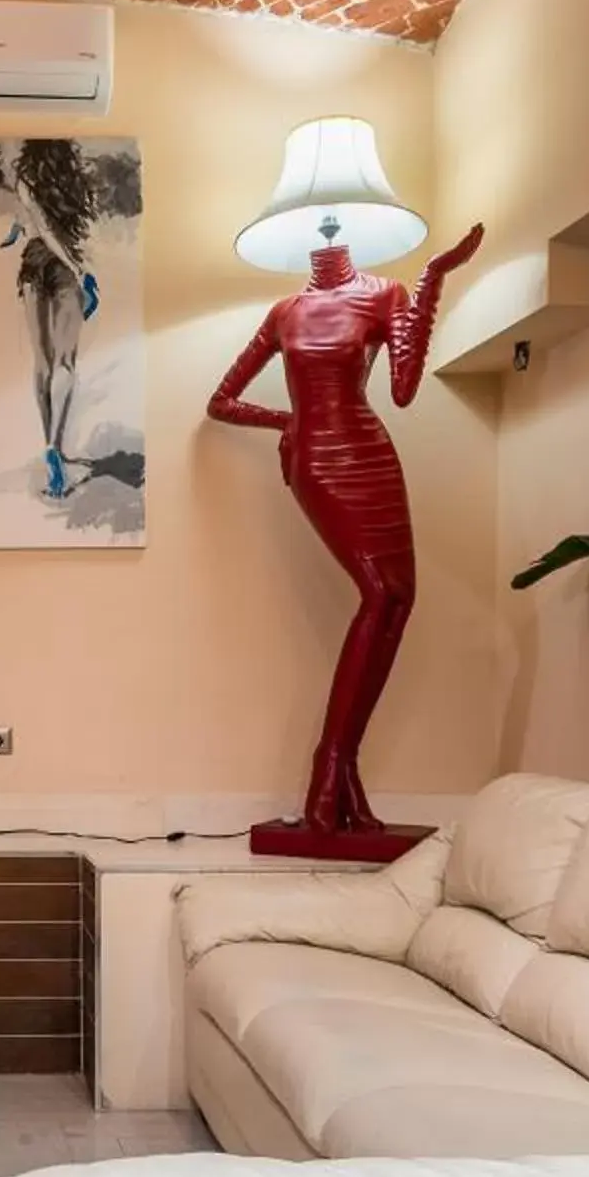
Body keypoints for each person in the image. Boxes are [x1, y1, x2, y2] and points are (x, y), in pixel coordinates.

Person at [207, 223, 482, 835]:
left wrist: (432, 280)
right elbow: (221, 401)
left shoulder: (387, 293)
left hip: (370, 449)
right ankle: (327, 769)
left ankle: (343, 774)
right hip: (319, 458)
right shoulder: (285, 312)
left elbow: (403, 390)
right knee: (379, 593)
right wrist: (292, 421)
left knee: (401, 600)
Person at [0, 139, 100, 499]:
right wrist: (79, 270)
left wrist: (17, 232)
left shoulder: (24, 181)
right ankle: (54, 446)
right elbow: (53, 229)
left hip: (33, 266)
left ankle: (52, 449)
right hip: (64, 269)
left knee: (43, 362)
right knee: (66, 361)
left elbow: (36, 225)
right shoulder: (74, 185)